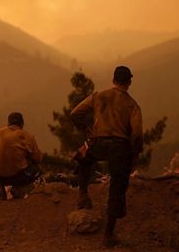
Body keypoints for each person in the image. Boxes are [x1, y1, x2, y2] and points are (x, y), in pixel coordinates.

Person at [71, 66, 143, 247]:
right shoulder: (132, 105)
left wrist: (87, 130)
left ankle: (83, 196)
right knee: (117, 186)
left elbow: (75, 113)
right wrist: (134, 154)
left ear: (113, 80)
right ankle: (108, 235)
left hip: (98, 143)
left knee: (82, 160)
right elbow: (137, 135)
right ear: (129, 82)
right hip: (119, 147)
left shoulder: (99, 96)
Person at [0, 112, 42, 200]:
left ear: (8, 123)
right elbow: (38, 159)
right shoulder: (27, 136)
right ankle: (19, 189)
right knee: (37, 170)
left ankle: (1, 191)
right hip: (19, 178)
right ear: (22, 124)